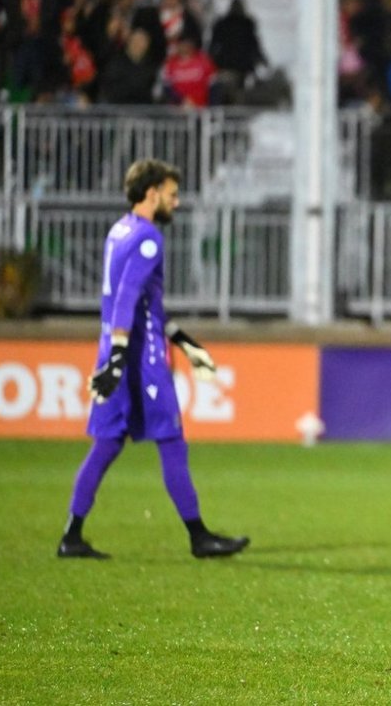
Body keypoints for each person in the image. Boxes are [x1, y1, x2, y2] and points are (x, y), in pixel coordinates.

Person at [57, 158, 250, 560]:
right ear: (151, 193)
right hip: (140, 360)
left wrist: (182, 341)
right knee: (171, 441)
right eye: (172, 194)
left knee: (107, 444)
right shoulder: (148, 238)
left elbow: (139, 306)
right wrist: (120, 361)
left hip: (116, 347)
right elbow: (128, 299)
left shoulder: (119, 230)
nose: (176, 203)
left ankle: (71, 536)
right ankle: (200, 537)